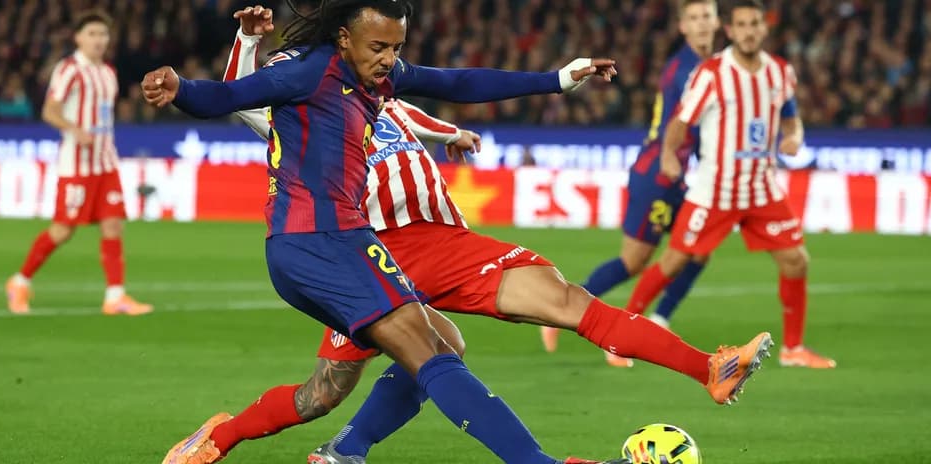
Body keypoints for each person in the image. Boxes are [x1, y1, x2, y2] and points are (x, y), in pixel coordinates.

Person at [157, 7, 772, 464]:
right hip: (368, 242)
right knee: (372, 373)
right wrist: (201, 73)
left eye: (396, 47)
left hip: (395, 245)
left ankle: (245, 441)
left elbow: (452, 83)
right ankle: (237, 436)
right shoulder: (300, 88)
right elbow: (235, 95)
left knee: (345, 382)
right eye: (379, 46)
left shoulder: (381, 90)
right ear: (346, 37)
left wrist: (552, 83)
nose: (388, 58)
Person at [624, 0, 836, 369]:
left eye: (755, 24)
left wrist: (793, 137)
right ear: (730, 30)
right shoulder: (712, 73)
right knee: (674, 261)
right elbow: (680, 120)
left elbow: (790, 118)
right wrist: (670, 155)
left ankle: (793, 349)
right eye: (742, 25)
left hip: (761, 188)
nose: (749, 31)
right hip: (714, 191)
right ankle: (621, 337)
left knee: (796, 260)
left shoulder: (780, 73)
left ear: (764, 28)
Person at [551, 0, 721, 368]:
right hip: (659, 173)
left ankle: (658, 320)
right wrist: (673, 156)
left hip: (677, 175)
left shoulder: (711, 66)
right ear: (683, 27)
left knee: (699, 249)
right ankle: (568, 311)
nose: (703, 23)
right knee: (633, 261)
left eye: (707, 15)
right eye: (695, 18)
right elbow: (681, 124)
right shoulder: (686, 70)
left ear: (717, 21)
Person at [5, 10, 152, 316]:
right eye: (92, 34)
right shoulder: (69, 69)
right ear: (78, 38)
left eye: (103, 34)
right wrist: (74, 130)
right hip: (76, 166)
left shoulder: (108, 73)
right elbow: (49, 110)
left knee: (113, 225)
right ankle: (20, 281)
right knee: (62, 230)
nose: (99, 40)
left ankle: (115, 297)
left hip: (105, 162)